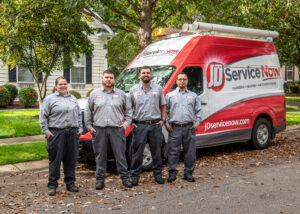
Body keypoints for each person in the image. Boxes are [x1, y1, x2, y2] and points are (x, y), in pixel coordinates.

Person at [84, 69, 133, 190]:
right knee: (100, 156)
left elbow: (129, 111)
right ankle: (100, 179)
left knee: (120, 155)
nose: (108, 79)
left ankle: (125, 178)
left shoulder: (121, 94)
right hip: (99, 130)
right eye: (106, 77)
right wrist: (89, 126)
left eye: (111, 77)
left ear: (114, 80)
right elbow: (87, 111)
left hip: (117, 129)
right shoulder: (94, 94)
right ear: (102, 79)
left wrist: (126, 124)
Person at [39, 76, 82, 196]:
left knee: (71, 159)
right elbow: (43, 117)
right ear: (56, 86)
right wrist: (46, 131)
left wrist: (80, 128)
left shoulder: (73, 98)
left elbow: (79, 115)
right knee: (55, 160)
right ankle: (52, 185)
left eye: (65, 84)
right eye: (60, 84)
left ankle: (70, 183)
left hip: (72, 133)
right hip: (56, 133)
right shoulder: (50, 99)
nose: (63, 86)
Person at [129, 66, 166, 186]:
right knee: (137, 153)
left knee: (156, 152)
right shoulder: (133, 89)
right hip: (140, 125)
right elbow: (129, 108)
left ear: (151, 74)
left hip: (155, 125)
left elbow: (163, 106)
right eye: (143, 73)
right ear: (140, 75)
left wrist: (163, 120)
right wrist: (131, 121)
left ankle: (158, 175)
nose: (146, 74)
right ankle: (134, 176)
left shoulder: (158, 88)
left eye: (148, 73)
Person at [165, 72, 202, 183]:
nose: (182, 81)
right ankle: (172, 173)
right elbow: (165, 111)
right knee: (173, 152)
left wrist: (196, 124)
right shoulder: (169, 96)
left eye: (184, 79)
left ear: (187, 81)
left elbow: (198, 110)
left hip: (189, 128)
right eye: (180, 79)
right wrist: (167, 125)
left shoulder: (193, 95)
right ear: (176, 81)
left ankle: (188, 173)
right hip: (175, 128)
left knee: (190, 152)